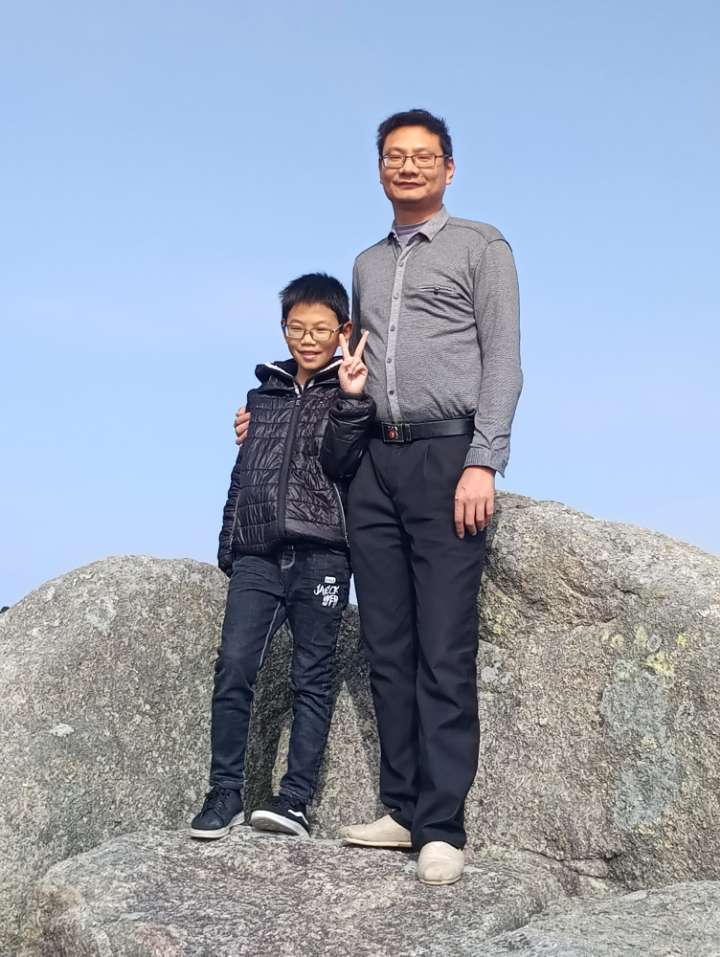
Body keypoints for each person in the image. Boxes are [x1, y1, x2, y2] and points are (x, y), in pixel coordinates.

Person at [235, 108, 522, 885]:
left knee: (443, 643)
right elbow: (342, 367)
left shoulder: (483, 247)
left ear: (449, 168)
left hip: (446, 456)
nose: (408, 166)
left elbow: (503, 361)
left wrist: (483, 460)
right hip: (375, 461)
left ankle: (442, 824)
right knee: (388, 644)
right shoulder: (365, 263)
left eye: (423, 156)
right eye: (395, 156)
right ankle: (401, 806)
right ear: (380, 168)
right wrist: (269, 415)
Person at [191, 272, 374, 841]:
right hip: (258, 555)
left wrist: (351, 401)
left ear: (343, 331)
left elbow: (343, 464)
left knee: (311, 679)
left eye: (321, 329)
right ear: (283, 328)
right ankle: (225, 793)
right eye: (297, 328)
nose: (308, 339)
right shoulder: (263, 395)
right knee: (234, 668)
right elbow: (244, 474)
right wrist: (230, 546)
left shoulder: (350, 389)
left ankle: (294, 800)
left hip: (324, 553)